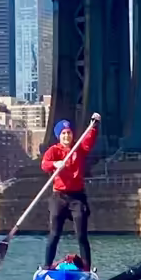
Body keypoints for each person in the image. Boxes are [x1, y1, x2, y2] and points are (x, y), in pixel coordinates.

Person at [40, 114, 100, 271]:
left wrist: (94, 125)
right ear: (59, 136)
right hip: (58, 197)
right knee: (54, 234)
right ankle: (47, 266)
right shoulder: (53, 150)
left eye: (69, 133)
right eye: (63, 133)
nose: (67, 136)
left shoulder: (79, 147)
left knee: (81, 235)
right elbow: (44, 165)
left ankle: (86, 268)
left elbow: (89, 140)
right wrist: (55, 163)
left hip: (77, 197)